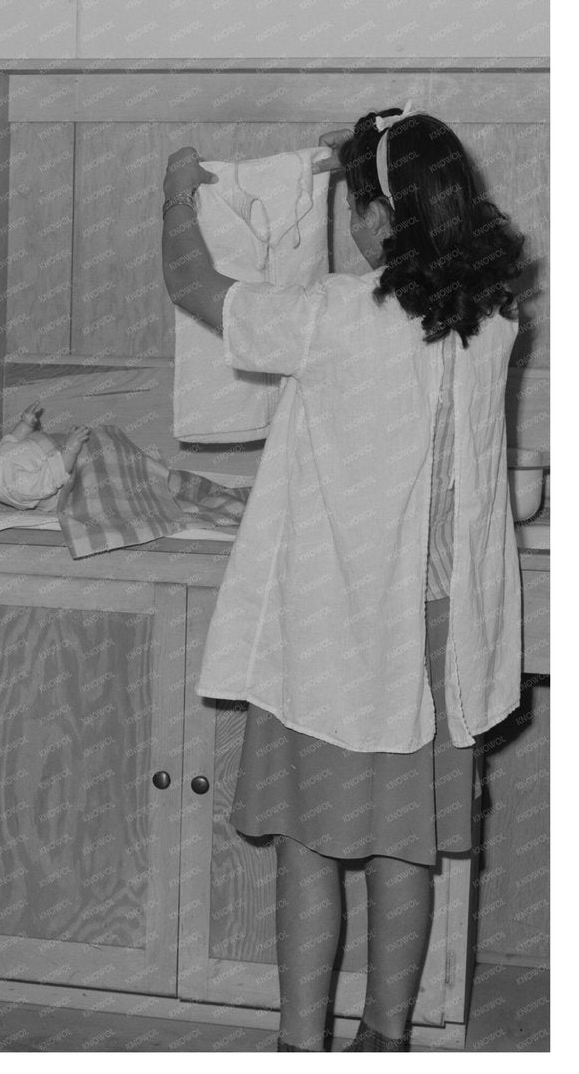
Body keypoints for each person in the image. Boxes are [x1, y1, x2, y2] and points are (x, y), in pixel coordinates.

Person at [160, 107, 525, 1051]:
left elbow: (195, 283)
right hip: (446, 634)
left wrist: (175, 190)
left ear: (372, 214)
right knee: (408, 853)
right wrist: (355, 166)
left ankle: (299, 1048)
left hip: (341, 630)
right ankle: (388, 1042)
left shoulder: (334, 318)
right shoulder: (492, 317)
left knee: (310, 848)